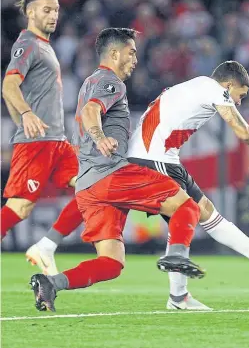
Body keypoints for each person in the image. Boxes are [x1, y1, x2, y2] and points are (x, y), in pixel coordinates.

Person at [30, 27, 205, 312]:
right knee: (187, 206)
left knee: (110, 263)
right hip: (110, 173)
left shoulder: (90, 81)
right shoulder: (110, 82)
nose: (135, 58)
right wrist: (100, 138)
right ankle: (176, 256)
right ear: (114, 54)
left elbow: (87, 110)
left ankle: (52, 284)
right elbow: (90, 112)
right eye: (131, 52)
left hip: (88, 187)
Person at [127, 60, 249, 310]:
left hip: (158, 157)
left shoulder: (193, 86)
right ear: (229, 84)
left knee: (203, 211)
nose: (239, 102)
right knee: (186, 213)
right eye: (240, 95)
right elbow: (242, 132)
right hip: (153, 158)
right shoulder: (213, 89)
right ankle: (182, 294)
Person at [1, 0, 84, 268]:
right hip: (37, 143)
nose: (53, 15)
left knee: (91, 188)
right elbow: (8, 85)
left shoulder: (45, 45)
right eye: (46, 10)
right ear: (30, 12)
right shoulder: (27, 44)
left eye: (56, 9)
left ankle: (46, 247)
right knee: (20, 208)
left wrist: (22, 119)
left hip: (57, 141)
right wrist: (25, 115)